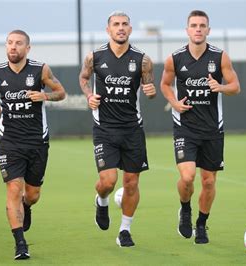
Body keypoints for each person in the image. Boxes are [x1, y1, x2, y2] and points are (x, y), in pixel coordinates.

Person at [0, 29, 66, 259]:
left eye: (18, 43)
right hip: (10, 142)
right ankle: (20, 243)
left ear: (27, 48)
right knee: (13, 188)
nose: (13, 47)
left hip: (37, 141)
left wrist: (45, 96)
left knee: (33, 194)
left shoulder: (41, 69)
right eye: (9, 42)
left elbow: (61, 92)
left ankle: (26, 207)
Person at [160, 10, 241, 244]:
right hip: (185, 128)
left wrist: (221, 87)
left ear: (208, 30)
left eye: (202, 25)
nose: (198, 29)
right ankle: (185, 208)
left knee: (208, 181)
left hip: (212, 129)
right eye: (193, 25)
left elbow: (235, 86)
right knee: (187, 178)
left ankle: (202, 224)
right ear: (187, 30)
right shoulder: (175, 58)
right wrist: (174, 102)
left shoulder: (220, 57)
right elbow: (165, 84)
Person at [78, 11, 156, 247]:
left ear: (130, 29)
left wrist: (151, 92)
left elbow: (148, 86)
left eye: (124, 24)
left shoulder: (143, 60)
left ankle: (125, 230)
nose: (120, 28)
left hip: (132, 129)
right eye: (116, 25)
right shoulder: (94, 57)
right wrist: (89, 95)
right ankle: (101, 200)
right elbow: (83, 79)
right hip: (105, 129)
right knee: (109, 181)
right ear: (108, 30)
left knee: (131, 183)